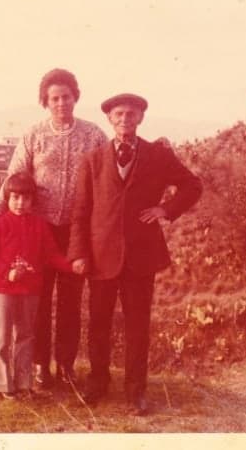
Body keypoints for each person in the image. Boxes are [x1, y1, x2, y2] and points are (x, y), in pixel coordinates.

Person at [68, 92, 202, 414]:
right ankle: (98, 383)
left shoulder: (158, 155)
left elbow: (192, 185)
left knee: (138, 326)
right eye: (118, 115)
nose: (125, 120)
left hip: (142, 257)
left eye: (131, 114)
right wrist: (78, 253)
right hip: (100, 257)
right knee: (98, 324)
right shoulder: (93, 159)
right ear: (110, 120)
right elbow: (80, 210)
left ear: (140, 118)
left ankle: (135, 392)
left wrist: (165, 210)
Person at [0, 68, 108, 387]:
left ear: (76, 97)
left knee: (70, 302)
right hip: (38, 232)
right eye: (54, 98)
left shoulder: (93, 135)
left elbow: (107, 181)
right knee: (36, 302)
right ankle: (39, 366)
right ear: (45, 101)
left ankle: (65, 365)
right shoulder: (33, 135)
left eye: (66, 96)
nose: (61, 103)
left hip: (76, 232)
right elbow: (13, 178)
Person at [0, 172, 78, 399]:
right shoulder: (0, 224)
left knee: (25, 336)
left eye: (25, 198)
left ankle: (23, 383)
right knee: (2, 336)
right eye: (15, 198)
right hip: (4, 289)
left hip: (31, 290)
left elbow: (51, 254)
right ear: (7, 198)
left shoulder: (40, 225)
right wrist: (7, 271)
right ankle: (1, 384)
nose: (20, 203)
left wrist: (72, 267)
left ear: (33, 201)